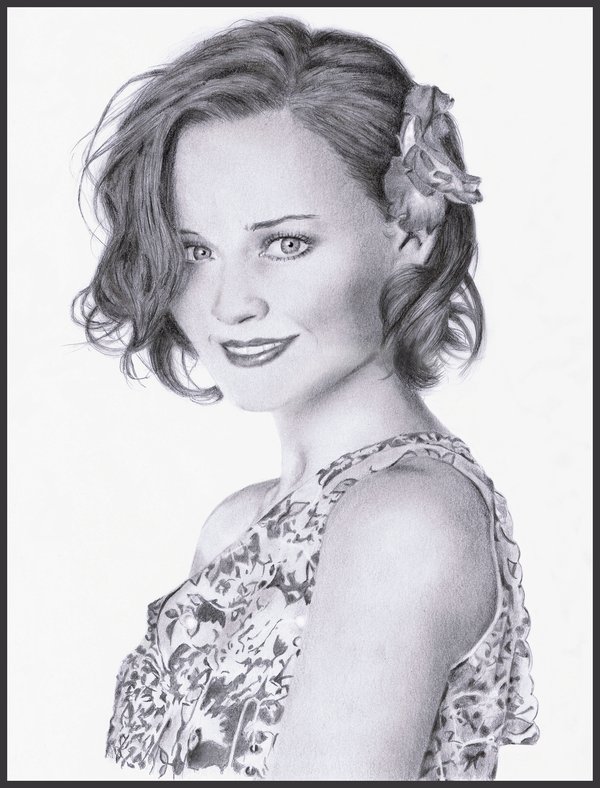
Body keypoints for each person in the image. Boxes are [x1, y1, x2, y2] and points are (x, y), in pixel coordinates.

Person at [73, 16, 539, 781]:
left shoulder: (403, 522)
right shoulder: (237, 524)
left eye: (284, 243)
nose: (230, 304)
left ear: (409, 233)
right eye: (194, 250)